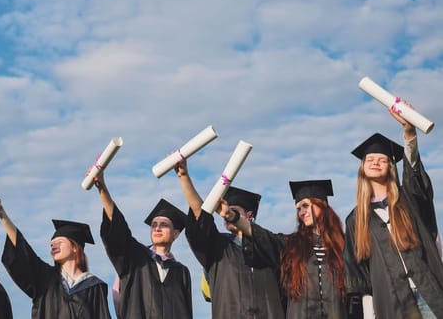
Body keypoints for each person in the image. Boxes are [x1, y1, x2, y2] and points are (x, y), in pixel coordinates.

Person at [343, 105, 443, 318]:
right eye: (370, 159)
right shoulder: (355, 220)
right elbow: (359, 273)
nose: (376, 162)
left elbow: (415, 177)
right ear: (362, 168)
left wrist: (409, 134)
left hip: (428, 293)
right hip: (390, 303)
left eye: (382, 160)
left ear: (391, 166)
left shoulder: (408, 199)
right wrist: (369, 314)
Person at [175, 159, 285, 318]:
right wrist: (184, 177)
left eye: (233, 210)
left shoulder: (269, 248)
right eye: (223, 211)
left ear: (249, 215)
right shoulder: (218, 247)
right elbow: (201, 214)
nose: (225, 214)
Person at [233, 179, 347, 318]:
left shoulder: (344, 245)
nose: (301, 212)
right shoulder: (291, 245)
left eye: (305, 206)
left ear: (321, 205)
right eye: (298, 209)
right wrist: (234, 218)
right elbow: (265, 238)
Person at [0, 202, 111, 319]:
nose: (54, 246)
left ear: (75, 248)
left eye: (59, 242)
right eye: (51, 244)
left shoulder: (94, 286)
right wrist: (3, 217)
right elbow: (24, 253)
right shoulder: (45, 278)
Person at [92, 171, 192, 319]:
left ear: (176, 233)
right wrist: (102, 189)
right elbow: (118, 231)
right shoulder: (135, 257)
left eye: (163, 225)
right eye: (154, 225)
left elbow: (186, 312)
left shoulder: (182, 272)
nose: (157, 228)